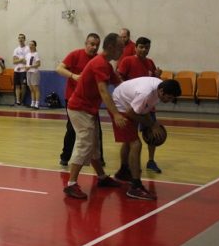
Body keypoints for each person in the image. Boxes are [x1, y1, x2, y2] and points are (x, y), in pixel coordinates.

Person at [63, 33, 128, 200]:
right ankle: (71, 184)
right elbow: (103, 91)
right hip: (79, 108)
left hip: (89, 110)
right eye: (120, 48)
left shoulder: (106, 65)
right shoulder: (99, 64)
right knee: (85, 143)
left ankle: (102, 177)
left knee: (94, 145)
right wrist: (116, 114)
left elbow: (120, 84)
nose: (122, 51)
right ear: (111, 47)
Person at [111, 77, 181, 200]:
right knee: (136, 143)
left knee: (129, 141)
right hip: (120, 104)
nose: (169, 101)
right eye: (169, 98)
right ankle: (135, 186)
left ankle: (123, 172)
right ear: (162, 92)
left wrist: (153, 124)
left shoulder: (159, 88)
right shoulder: (146, 93)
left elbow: (145, 109)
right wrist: (151, 125)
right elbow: (130, 113)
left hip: (127, 101)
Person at [117, 36, 164, 173]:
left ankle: (151, 161)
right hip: (131, 105)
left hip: (148, 105)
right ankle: (125, 165)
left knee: (152, 133)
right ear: (136, 47)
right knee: (129, 139)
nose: (144, 50)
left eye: (147, 47)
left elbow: (154, 83)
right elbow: (119, 77)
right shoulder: (127, 61)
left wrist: (157, 75)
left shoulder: (150, 62)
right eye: (141, 47)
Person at [56, 33, 103, 166]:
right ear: (86, 43)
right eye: (92, 44)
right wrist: (73, 76)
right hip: (73, 100)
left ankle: (99, 159)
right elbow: (59, 68)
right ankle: (65, 157)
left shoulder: (98, 59)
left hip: (90, 101)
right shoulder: (75, 55)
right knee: (72, 129)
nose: (94, 47)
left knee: (96, 130)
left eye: (97, 45)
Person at [12, 33, 30, 106]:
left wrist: (19, 59)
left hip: (24, 70)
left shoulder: (28, 49)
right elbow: (14, 61)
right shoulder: (16, 49)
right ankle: (18, 101)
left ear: (24, 39)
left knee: (23, 86)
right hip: (17, 70)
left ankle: (22, 100)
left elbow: (28, 61)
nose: (20, 39)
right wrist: (22, 59)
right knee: (17, 85)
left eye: (22, 38)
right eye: (19, 38)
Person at [25, 40, 41, 109]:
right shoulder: (27, 54)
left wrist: (30, 67)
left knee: (35, 88)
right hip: (28, 72)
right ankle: (32, 103)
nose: (30, 46)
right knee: (31, 89)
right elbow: (27, 64)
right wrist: (25, 67)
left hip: (34, 72)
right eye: (30, 45)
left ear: (35, 46)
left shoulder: (36, 54)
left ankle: (37, 103)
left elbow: (38, 64)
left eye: (32, 45)